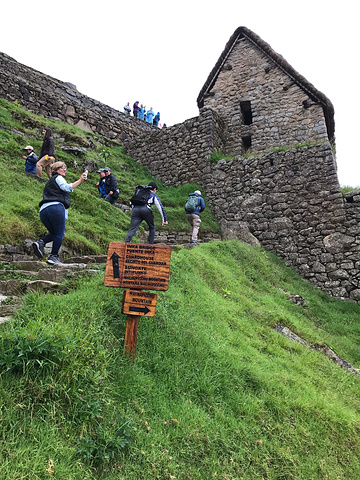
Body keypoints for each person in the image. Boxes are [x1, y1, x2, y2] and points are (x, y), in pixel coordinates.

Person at [32, 161, 87, 265]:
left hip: (44, 210)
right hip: (56, 208)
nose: (65, 169)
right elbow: (67, 187)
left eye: (65, 168)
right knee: (60, 233)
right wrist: (80, 179)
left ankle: (41, 243)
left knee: (54, 233)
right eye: (62, 167)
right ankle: (53, 256)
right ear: (56, 169)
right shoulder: (58, 178)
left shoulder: (50, 182)